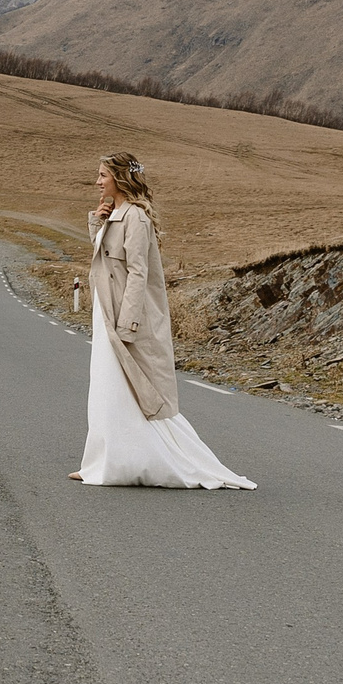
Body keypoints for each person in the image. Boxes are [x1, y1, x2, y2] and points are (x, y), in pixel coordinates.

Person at [71, 151, 254, 490]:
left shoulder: (136, 219)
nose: (97, 182)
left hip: (124, 314)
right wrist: (97, 222)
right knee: (105, 386)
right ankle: (101, 461)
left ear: (120, 179)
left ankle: (131, 462)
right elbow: (105, 260)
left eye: (102, 176)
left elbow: (139, 274)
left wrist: (127, 323)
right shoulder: (115, 214)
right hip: (105, 308)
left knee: (128, 388)